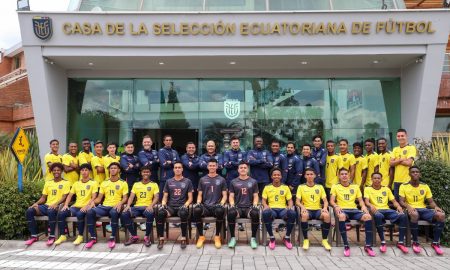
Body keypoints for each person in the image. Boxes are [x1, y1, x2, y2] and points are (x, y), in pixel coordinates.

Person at [399, 166, 445, 255]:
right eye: (413, 172)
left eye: (417, 172)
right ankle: (415, 242)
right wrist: (408, 207)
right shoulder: (404, 186)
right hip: (412, 209)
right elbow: (401, 201)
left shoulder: (425, 186)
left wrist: (436, 207)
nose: (415, 173)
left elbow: (431, 201)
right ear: (409, 174)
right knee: (415, 214)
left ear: (420, 174)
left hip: (423, 209)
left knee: (441, 215)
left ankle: (435, 243)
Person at [330, 168, 375, 257]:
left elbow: (361, 200)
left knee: (368, 216)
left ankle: (368, 245)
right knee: (341, 216)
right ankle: (346, 245)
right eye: (342, 174)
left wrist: (363, 206)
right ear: (339, 176)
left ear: (349, 175)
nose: (344, 176)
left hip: (354, 210)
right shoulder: (335, 186)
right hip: (343, 210)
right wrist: (336, 206)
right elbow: (332, 201)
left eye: (346, 174)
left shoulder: (355, 187)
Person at [25, 163, 70, 246]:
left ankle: (52, 236)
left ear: (61, 171)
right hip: (47, 206)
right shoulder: (48, 183)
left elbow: (64, 197)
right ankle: (34, 236)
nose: (56, 172)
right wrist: (36, 203)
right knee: (30, 211)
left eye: (58, 170)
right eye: (54, 170)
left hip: (58, 207)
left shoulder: (66, 183)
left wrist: (55, 204)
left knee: (50, 211)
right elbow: (43, 198)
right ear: (52, 172)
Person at [86, 162, 128, 249]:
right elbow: (99, 198)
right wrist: (93, 202)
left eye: (115, 168)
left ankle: (112, 237)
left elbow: (125, 198)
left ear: (119, 170)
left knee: (114, 212)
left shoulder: (123, 183)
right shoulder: (104, 183)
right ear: (109, 170)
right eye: (111, 168)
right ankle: (93, 237)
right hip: (104, 206)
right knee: (90, 212)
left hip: (115, 206)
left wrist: (120, 203)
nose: (113, 170)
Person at [364, 172, 408, 254]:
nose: (377, 180)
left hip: (387, 210)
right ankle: (383, 242)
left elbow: (394, 201)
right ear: (371, 179)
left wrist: (398, 206)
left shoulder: (386, 189)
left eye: (378, 178)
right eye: (375, 178)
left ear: (381, 179)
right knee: (378, 216)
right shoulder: (367, 189)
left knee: (403, 216)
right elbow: (366, 202)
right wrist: (370, 205)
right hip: (377, 210)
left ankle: (401, 242)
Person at [54, 164, 98, 245]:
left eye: (86, 170)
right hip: (75, 206)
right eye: (82, 170)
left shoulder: (93, 183)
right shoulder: (76, 183)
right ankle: (62, 235)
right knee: (62, 213)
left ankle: (80, 236)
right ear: (80, 172)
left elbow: (94, 197)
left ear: (89, 171)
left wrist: (87, 206)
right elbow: (70, 195)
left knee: (80, 214)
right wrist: (66, 205)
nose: (84, 172)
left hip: (86, 207)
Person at [156, 161, 193, 249]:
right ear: (173, 169)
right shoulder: (169, 181)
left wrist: (186, 205)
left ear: (182, 169)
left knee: (184, 214)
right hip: (171, 207)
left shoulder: (187, 181)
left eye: (179, 167)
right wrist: (163, 204)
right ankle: (161, 238)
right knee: (160, 213)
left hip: (181, 207)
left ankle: (183, 237)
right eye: (176, 167)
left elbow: (190, 198)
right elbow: (165, 196)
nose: (177, 169)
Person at [121, 166, 159, 247]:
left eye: (147, 172)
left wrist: (151, 205)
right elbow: (131, 197)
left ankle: (146, 237)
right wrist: (127, 206)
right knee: (124, 214)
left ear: (150, 173)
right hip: (137, 207)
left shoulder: (154, 184)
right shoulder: (136, 184)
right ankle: (134, 236)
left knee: (150, 214)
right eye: (144, 172)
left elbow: (156, 197)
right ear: (141, 173)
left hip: (147, 207)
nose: (145, 173)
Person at [193, 159, 227, 249]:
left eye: (213, 165)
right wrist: (198, 203)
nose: (212, 167)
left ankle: (217, 236)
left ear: (217, 166)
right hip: (206, 206)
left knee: (220, 211)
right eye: (210, 165)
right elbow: (199, 194)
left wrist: (222, 203)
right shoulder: (202, 179)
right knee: (196, 210)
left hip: (216, 206)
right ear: (207, 167)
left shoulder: (222, 179)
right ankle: (201, 236)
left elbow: (224, 195)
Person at [296, 168, 332, 251]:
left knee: (326, 216)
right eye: (307, 174)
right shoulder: (301, 187)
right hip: (307, 210)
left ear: (315, 175)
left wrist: (325, 208)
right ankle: (305, 240)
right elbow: (297, 202)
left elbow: (325, 201)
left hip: (317, 210)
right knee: (304, 215)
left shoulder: (319, 187)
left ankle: (324, 240)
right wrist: (302, 207)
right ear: (305, 176)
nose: (309, 176)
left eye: (311, 174)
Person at [227, 161, 259, 249]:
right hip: (238, 208)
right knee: (231, 213)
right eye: (241, 168)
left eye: (245, 168)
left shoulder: (253, 181)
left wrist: (255, 204)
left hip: (249, 207)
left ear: (247, 169)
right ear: (238, 170)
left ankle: (253, 238)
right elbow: (231, 196)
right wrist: (232, 204)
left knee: (255, 213)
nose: (243, 169)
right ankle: (233, 238)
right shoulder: (233, 181)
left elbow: (256, 195)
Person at [262, 168, 296, 250]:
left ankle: (287, 237)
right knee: (265, 213)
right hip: (272, 209)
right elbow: (263, 200)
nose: (276, 176)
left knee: (292, 213)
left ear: (281, 176)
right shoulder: (267, 187)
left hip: (282, 210)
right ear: (271, 176)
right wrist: (265, 206)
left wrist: (290, 207)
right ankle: (272, 237)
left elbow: (290, 201)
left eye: (278, 175)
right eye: (274, 175)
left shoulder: (285, 187)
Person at [390, 129, 417, 201]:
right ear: (396, 137)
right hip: (396, 181)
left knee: (407, 203)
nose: (400, 137)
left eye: (402, 136)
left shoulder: (411, 148)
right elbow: (391, 163)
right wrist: (401, 159)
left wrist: (396, 160)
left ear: (406, 136)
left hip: (407, 181)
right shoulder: (395, 149)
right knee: (398, 203)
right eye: (398, 136)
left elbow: (409, 163)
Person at [158, 135, 180, 199]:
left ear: (172, 141)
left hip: (174, 177)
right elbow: (163, 164)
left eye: (170, 140)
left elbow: (178, 163)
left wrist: (170, 162)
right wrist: (174, 162)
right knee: (163, 197)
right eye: (166, 140)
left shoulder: (174, 152)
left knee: (173, 197)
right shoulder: (161, 151)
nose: (168, 141)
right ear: (164, 142)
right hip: (165, 178)